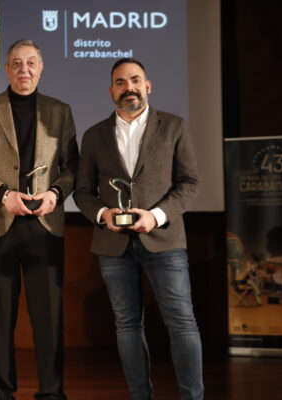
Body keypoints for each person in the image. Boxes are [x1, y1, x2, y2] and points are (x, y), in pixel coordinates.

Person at [74, 58, 203, 400]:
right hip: (113, 244)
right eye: (120, 82)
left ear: (148, 85)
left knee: (182, 322)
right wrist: (104, 214)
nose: (127, 86)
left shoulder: (174, 127)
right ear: (111, 90)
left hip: (164, 240)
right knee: (127, 325)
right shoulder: (94, 135)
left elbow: (189, 183)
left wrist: (157, 215)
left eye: (135, 80)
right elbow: (83, 192)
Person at [0, 39, 79, 400]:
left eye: (31, 63)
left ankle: (52, 394)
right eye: (16, 63)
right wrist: (1, 194)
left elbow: (73, 167)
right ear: (7, 69)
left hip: (45, 223)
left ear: (41, 68)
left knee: (49, 320)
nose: (24, 69)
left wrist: (55, 194)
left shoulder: (60, 110)